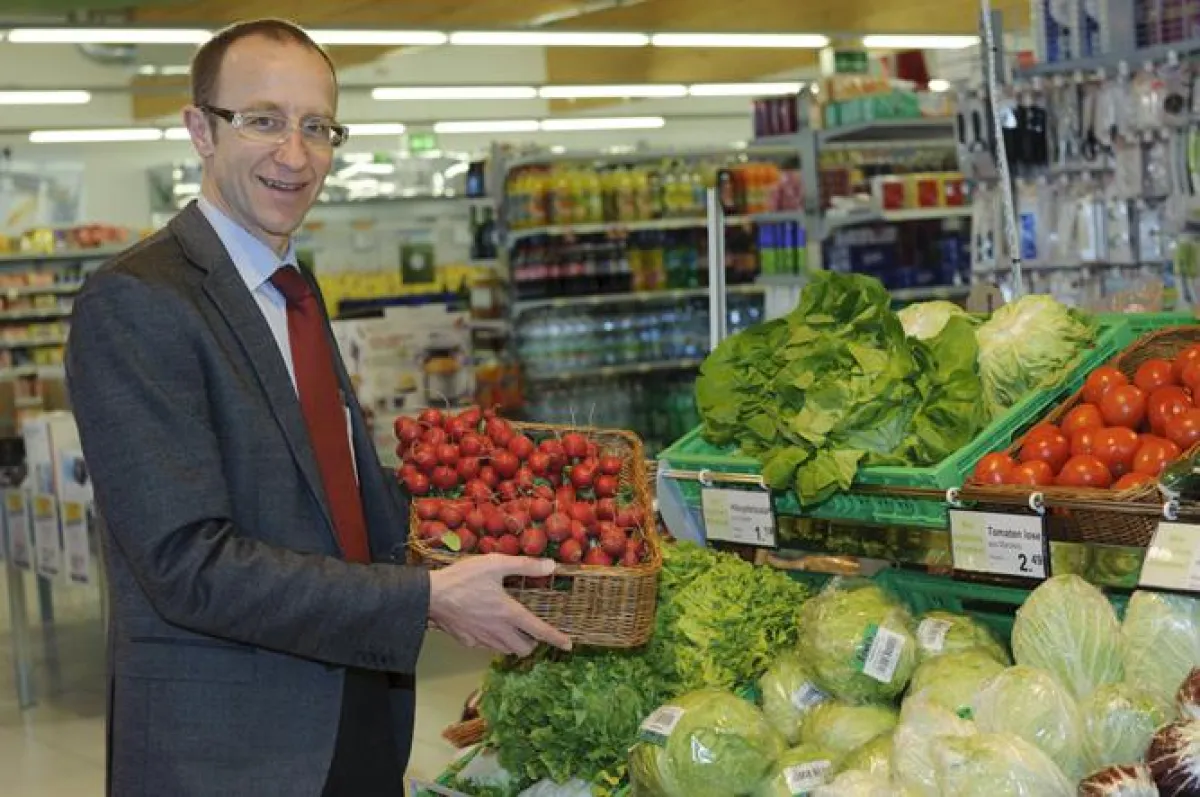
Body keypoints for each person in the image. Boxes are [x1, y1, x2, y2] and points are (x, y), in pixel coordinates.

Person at [65, 17, 571, 797]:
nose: (295, 155)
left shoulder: (292, 288)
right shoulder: (137, 300)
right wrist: (425, 598)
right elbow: (186, 563)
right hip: (234, 754)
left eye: (316, 127)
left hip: (354, 714)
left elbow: (331, 495)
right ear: (200, 130)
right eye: (263, 120)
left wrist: (513, 503)